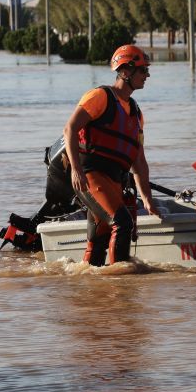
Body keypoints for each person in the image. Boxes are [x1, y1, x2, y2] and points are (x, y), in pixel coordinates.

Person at [63, 44, 160, 266]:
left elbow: (139, 161)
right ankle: (121, 282)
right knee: (122, 222)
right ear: (125, 71)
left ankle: (94, 286)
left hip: (114, 179)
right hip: (90, 175)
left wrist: (146, 198)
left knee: (101, 236)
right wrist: (76, 170)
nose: (147, 75)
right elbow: (70, 128)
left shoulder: (136, 113)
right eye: (143, 70)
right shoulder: (100, 96)